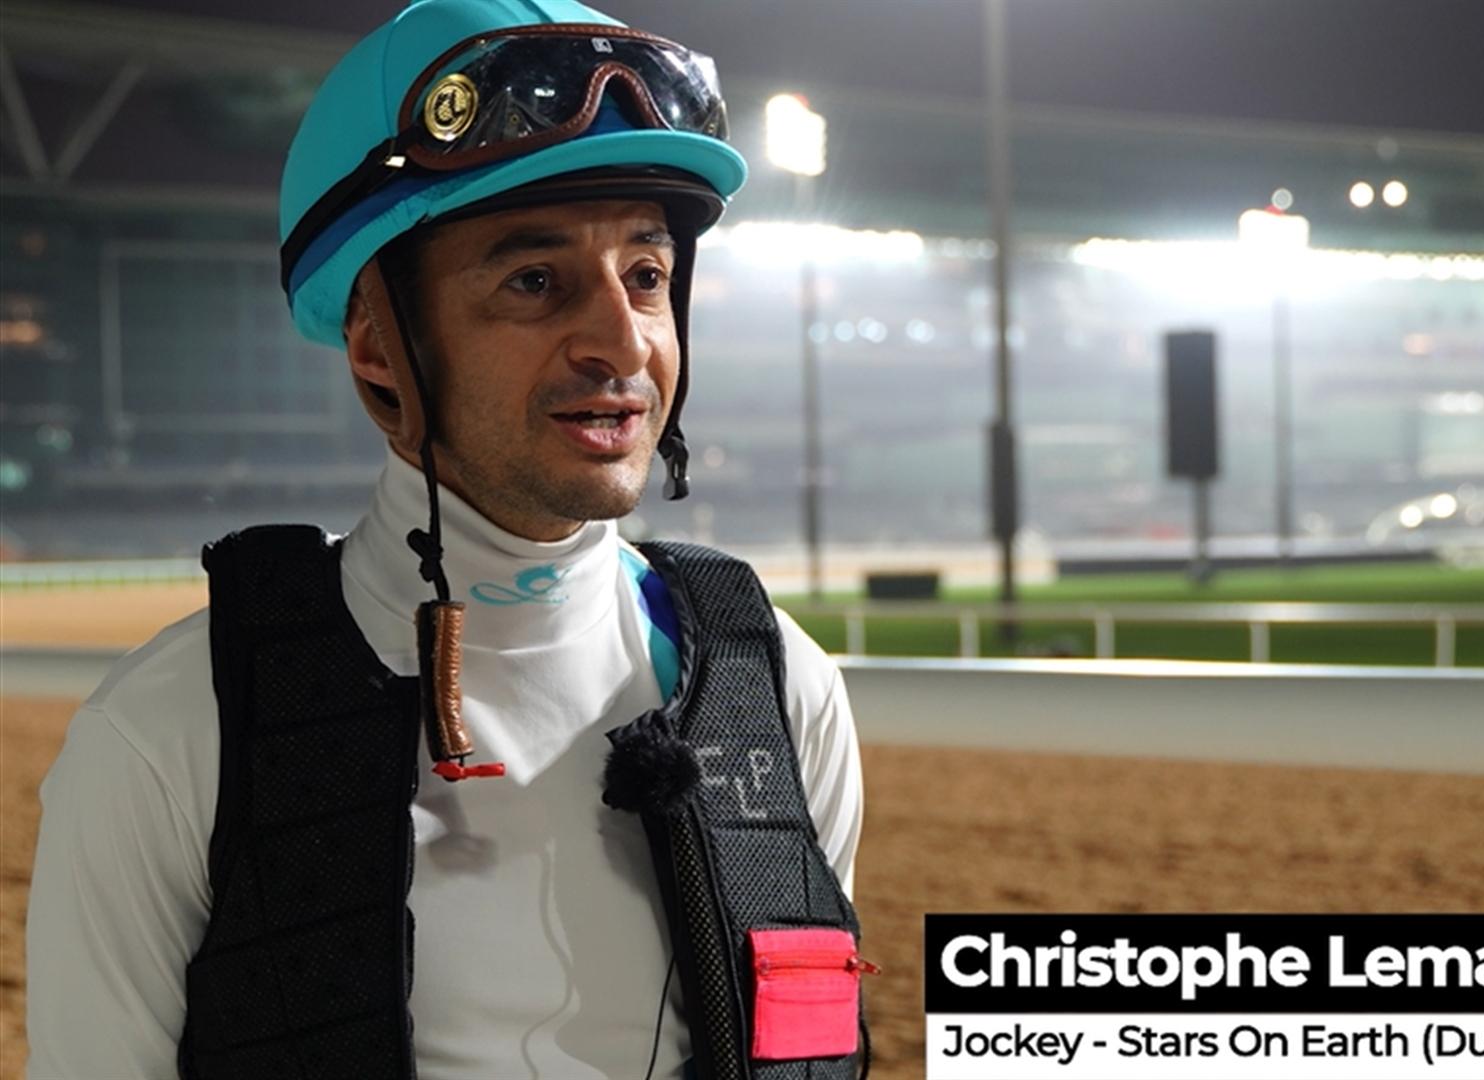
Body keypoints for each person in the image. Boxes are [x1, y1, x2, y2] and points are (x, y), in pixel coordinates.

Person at [24, 1, 869, 1077]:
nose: (622, 343)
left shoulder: (786, 690)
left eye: (647, 276)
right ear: (379, 348)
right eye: (535, 282)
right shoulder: (170, 733)